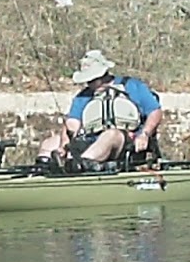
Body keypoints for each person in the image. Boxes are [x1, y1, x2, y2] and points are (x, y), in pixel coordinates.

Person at [36, 50, 164, 173]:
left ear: (103, 75)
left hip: (124, 141)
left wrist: (145, 134)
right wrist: (64, 145)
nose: (89, 83)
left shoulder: (133, 86)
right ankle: (44, 171)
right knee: (50, 143)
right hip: (91, 140)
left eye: (92, 80)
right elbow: (72, 123)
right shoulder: (84, 96)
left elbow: (155, 112)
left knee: (110, 135)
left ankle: (82, 164)